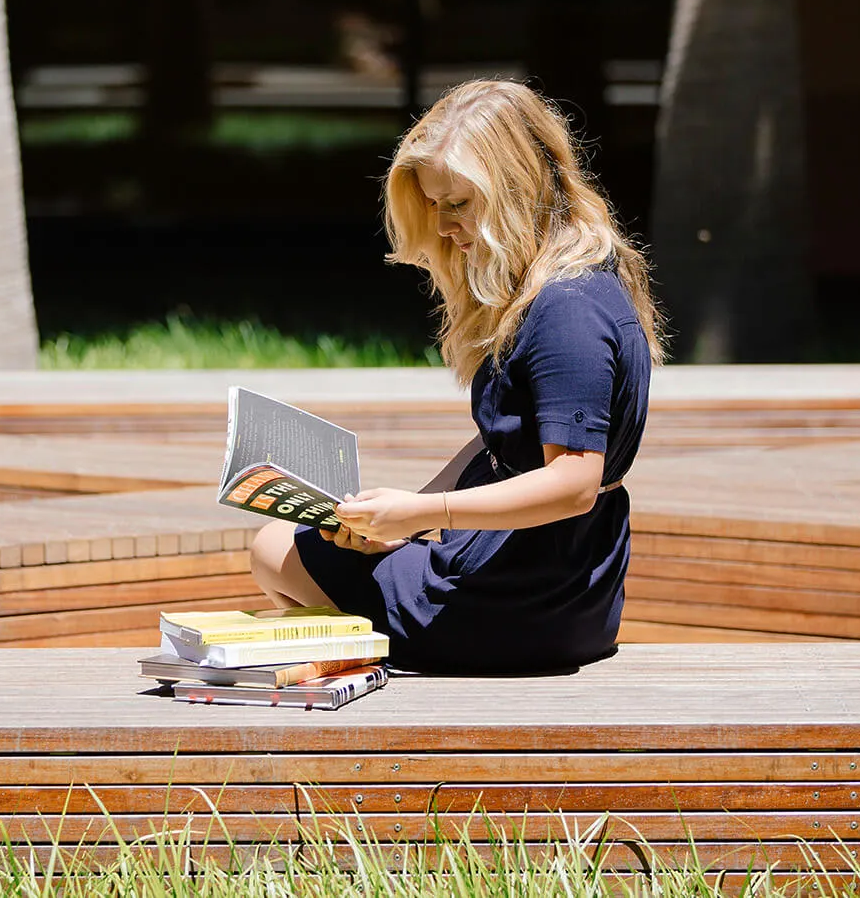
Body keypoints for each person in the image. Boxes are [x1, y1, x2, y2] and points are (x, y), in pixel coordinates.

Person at [248, 80, 665, 675]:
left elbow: (573, 482)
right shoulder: (570, 277)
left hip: (523, 598)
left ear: (517, 186)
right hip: (562, 583)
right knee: (299, 555)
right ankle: (346, 647)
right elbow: (506, 442)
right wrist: (408, 514)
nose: (443, 226)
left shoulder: (566, 308)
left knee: (275, 552)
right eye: (434, 205)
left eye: (459, 203)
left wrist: (426, 515)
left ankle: (349, 655)